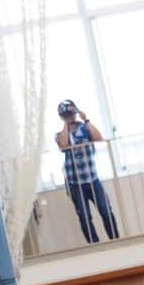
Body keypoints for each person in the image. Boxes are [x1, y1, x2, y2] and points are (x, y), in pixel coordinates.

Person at [55, 99, 119, 244]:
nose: (69, 116)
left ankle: (116, 241)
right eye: (66, 115)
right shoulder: (60, 134)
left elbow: (99, 138)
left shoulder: (85, 128)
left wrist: (86, 119)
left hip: (92, 179)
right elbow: (64, 145)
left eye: (71, 113)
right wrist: (66, 123)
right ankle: (94, 245)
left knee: (106, 211)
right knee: (84, 216)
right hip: (74, 184)